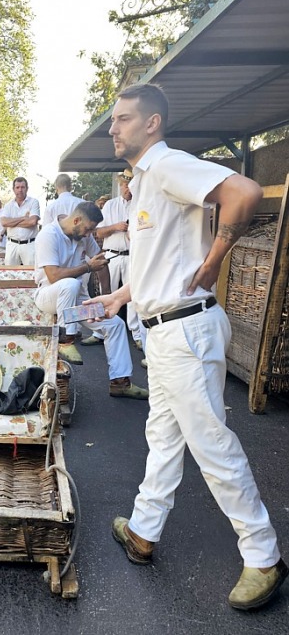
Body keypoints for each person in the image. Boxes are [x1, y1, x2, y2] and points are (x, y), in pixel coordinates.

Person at [87, 82, 286, 610]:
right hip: (167, 328)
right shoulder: (148, 181)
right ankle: (144, 531)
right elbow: (164, 261)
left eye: (123, 119)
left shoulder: (169, 165)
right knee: (163, 437)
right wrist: (124, 296)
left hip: (185, 330)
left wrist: (218, 256)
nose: (114, 128)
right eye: (113, 120)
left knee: (211, 446)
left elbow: (242, 192)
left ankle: (263, 555)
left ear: (151, 123)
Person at [33, 201, 147, 399]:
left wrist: (108, 295)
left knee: (115, 324)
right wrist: (87, 267)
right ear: (76, 220)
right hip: (48, 297)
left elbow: (100, 261)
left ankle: (120, 382)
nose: (89, 235)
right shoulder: (48, 235)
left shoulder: (82, 234)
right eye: (88, 229)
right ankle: (66, 339)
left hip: (76, 307)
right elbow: (53, 276)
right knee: (71, 284)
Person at [92, 169, 143, 348]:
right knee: (106, 292)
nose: (128, 188)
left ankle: (137, 334)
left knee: (133, 295)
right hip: (112, 254)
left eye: (131, 184)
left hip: (133, 256)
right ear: (120, 185)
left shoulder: (140, 204)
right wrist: (115, 227)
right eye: (125, 184)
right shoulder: (110, 205)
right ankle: (98, 331)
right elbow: (98, 232)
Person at [0, 177, 40, 265]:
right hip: (12, 245)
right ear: (13, 189)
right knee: (10, 274)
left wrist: (11, 223)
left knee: (31, 273)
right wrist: (23, 218)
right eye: (17, 187)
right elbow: (4, 222)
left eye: (22, 187)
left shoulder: (33, 202)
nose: (20, 190)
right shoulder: (8, 206)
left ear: (27, 188)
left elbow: (32, 222)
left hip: (29, 244)